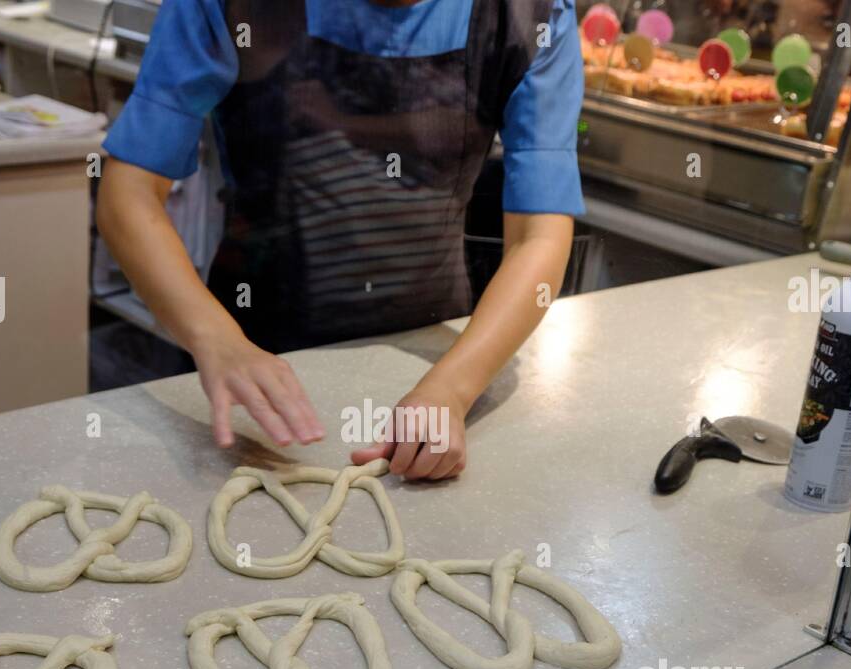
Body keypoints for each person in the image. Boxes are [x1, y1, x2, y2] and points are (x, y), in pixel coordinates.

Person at [97, 0, 584, 480]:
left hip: (432, 359)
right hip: (247, 361)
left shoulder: (529, 16)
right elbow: (129, 195)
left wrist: (453, 389)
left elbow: (537, 237)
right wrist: (214, 338)